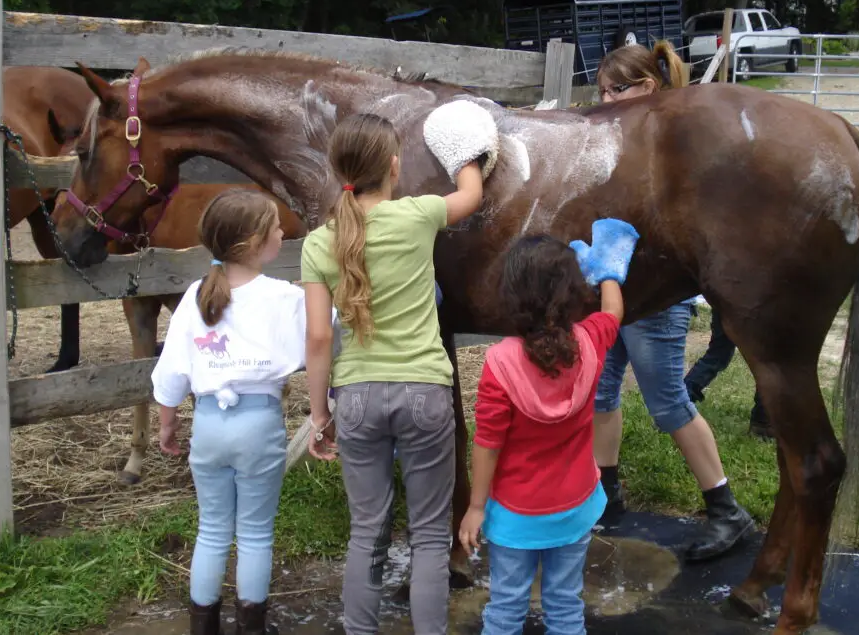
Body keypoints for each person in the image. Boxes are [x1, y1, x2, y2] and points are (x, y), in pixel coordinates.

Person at [301, 105, 494, 635]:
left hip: (357, 396)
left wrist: (320, 414)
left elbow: (319, 337)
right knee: (432, 536)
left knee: (367, 531)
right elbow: (472, 196)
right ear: (393, 166)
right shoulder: (417, 214)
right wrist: (468, 153)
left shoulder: (319, 242)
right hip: (425, 391)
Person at [592, 41, 755, 563]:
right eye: (598, 93)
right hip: (616, 291)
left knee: (667, 403)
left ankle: (727, 510)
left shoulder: (671, 147)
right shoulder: (621, 140)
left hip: (657, 296)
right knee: (600, 389)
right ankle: (606, 492)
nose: (604, 102)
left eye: (615, 91)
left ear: (648, 88)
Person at [458, 220, 638, 635]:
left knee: (505, 609)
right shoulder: (591, 341)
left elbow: (487, 442)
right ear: (574, 291)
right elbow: (613, 312)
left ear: (511, 295)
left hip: (515, 517)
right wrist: (609, 268)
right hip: (575, 508)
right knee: (564, 605)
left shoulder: (500, 364)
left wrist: (476, 506)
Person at [152, 188, 318, 635]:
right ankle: (251, 627)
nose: (284, 232)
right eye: (276, 227)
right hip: (259, 422)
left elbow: (172, 370)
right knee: (255, 534)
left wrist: (168, 424)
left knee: (211, 531)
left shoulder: (195, 295)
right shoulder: (283, 297)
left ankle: (202, 626)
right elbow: (325, 332)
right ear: (254, 242)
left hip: (207, 423)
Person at [684, 306, 774, 440]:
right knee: (768, 361)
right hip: (757, 300)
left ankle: (679, 404)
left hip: (725, 296)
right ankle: (762, 424)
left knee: (717, 355)